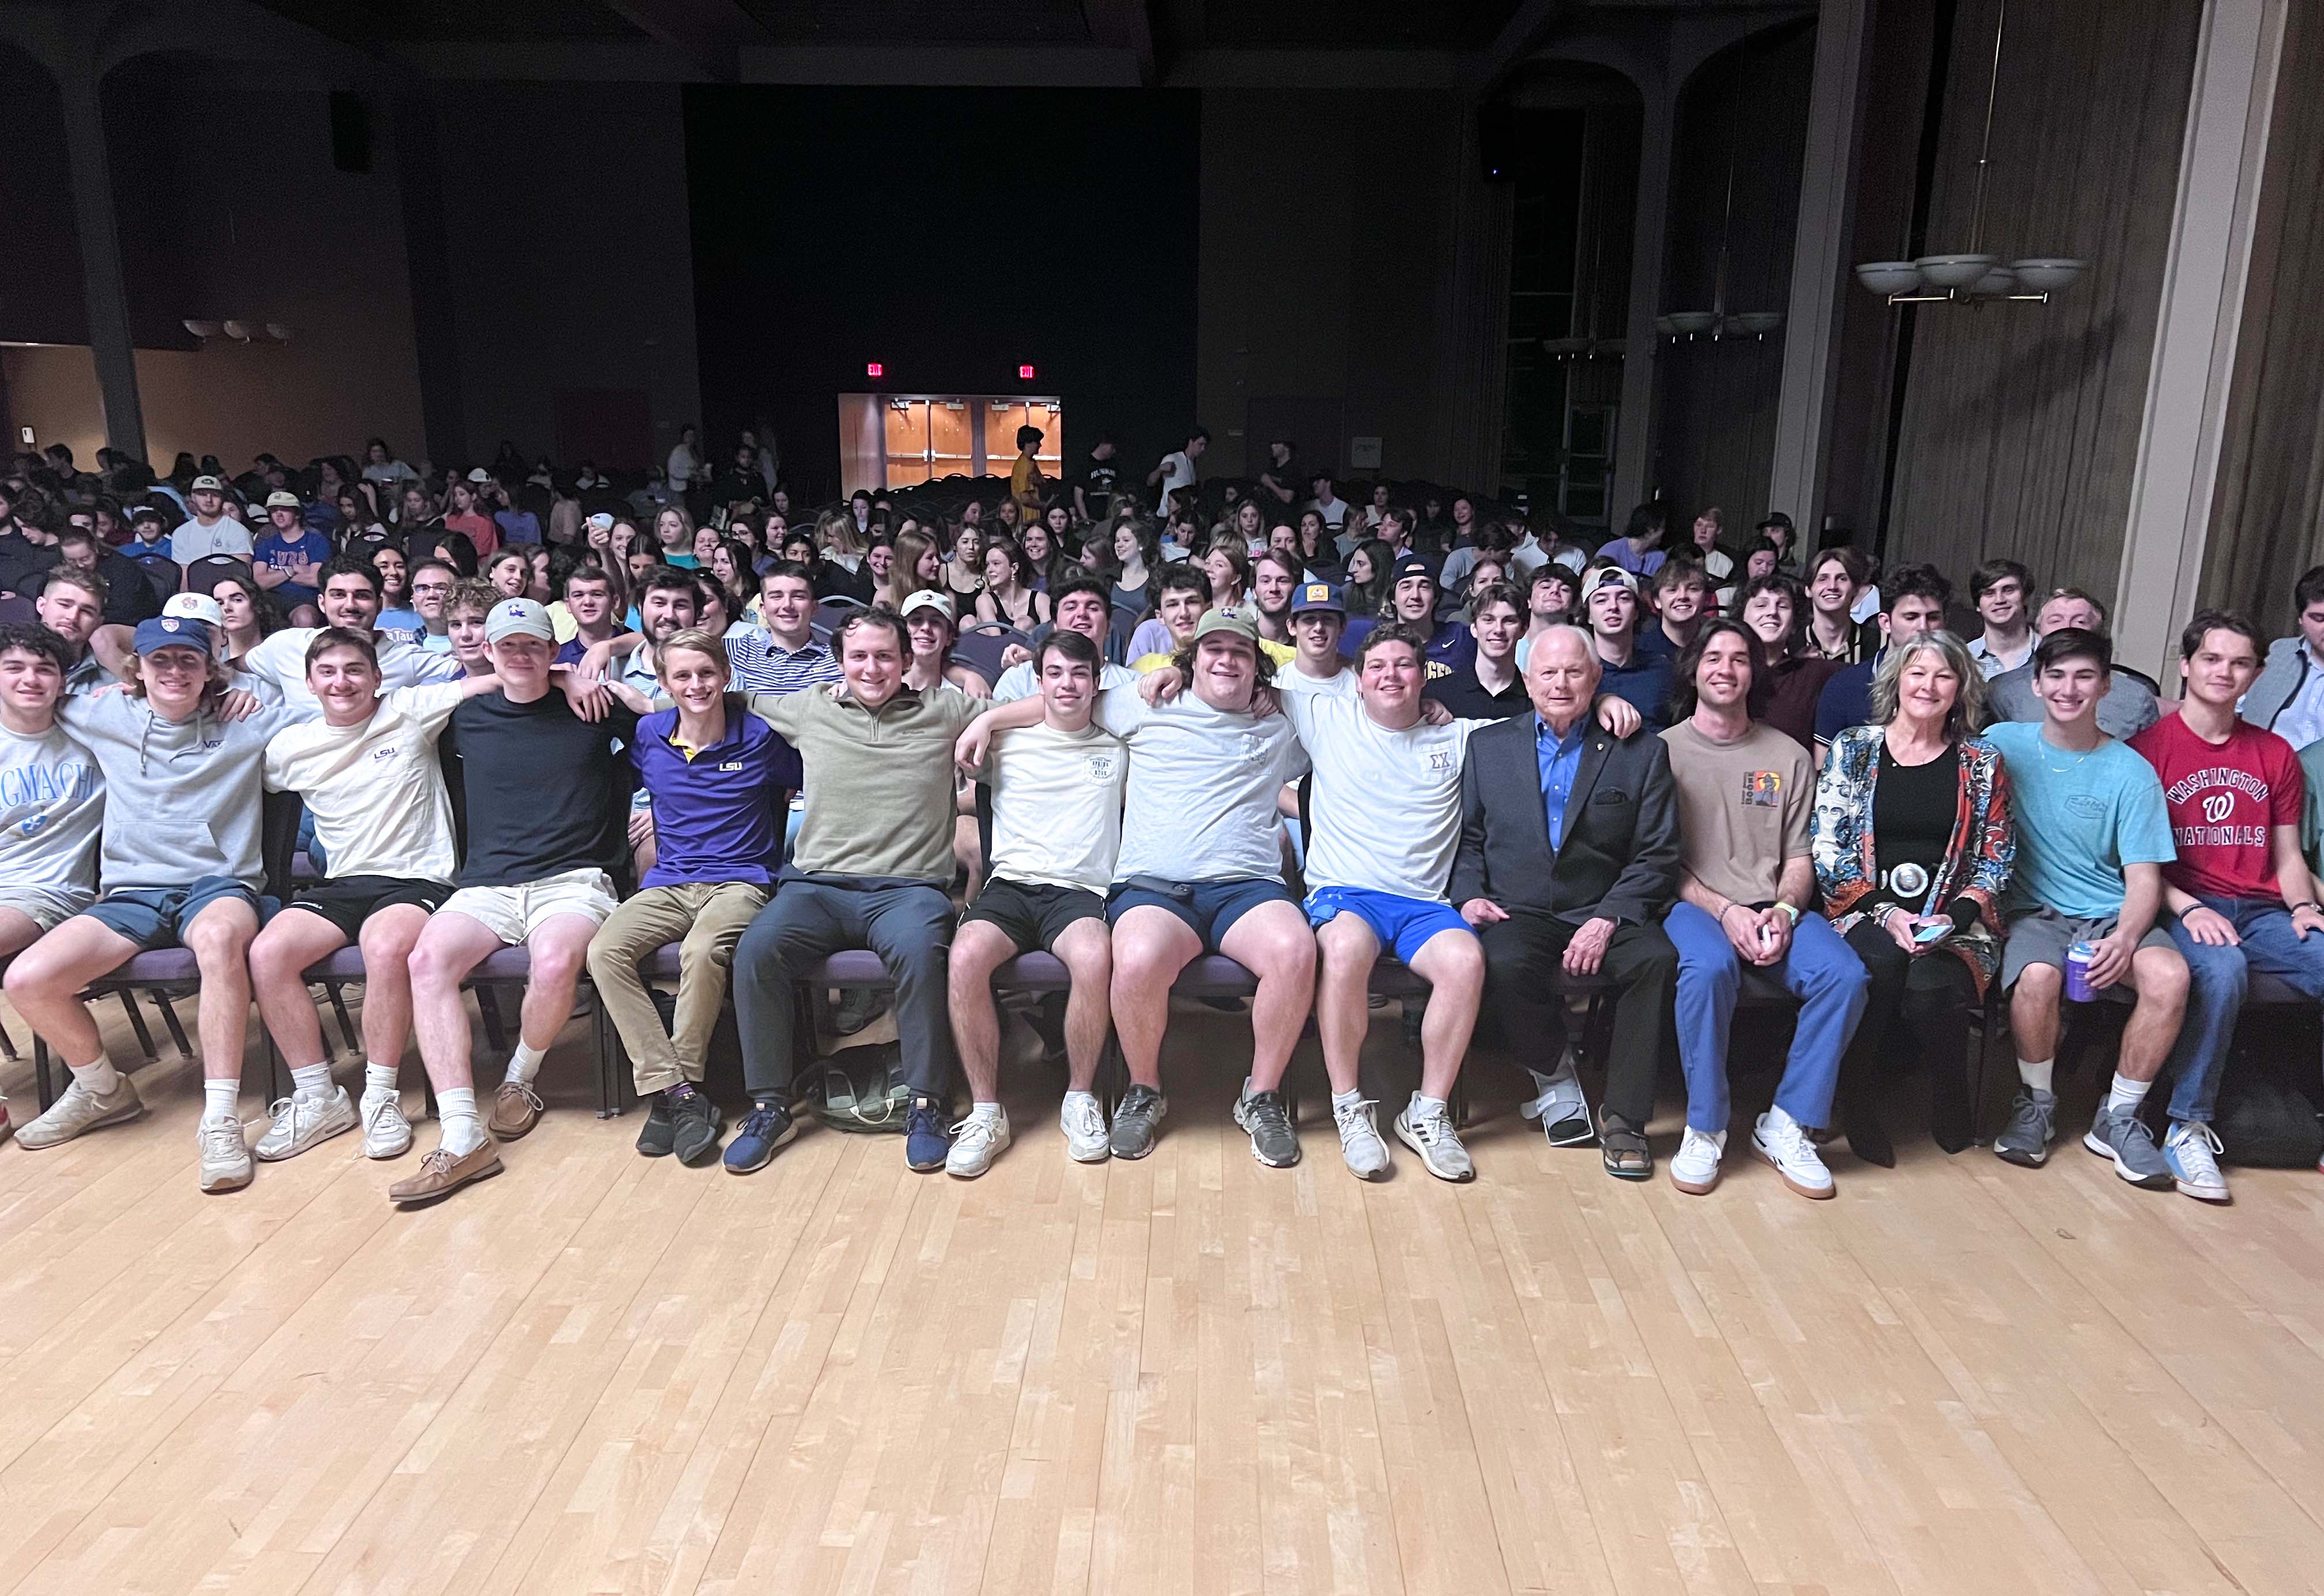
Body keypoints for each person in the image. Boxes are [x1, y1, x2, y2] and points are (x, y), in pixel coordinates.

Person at [963, 612, 1312, 1160]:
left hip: (1247, 887)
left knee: (1295, 948)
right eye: (1212, 648)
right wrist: (988, 721)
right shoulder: (1148, 702)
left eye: (1240, 652)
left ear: (1258, 667)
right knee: (1136, 953)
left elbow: (1369, 715)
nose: (1225, 660)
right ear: (1191, 659)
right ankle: (1143, 1090)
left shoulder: (1285, 715)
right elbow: (1067, 703)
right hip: (1157, 887)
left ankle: (1261, 1095)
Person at [5, 617, 303, 1190]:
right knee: (29, 979)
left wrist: (250, 692)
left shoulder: (243, 721)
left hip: (220, 884)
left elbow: (340, 712)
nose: (174, 671)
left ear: (208, 669)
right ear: (135, 670)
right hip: (132, 891)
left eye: (188, 660)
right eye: (159, 661)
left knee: (219, 941)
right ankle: (102, 1090)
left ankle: (219, 1121)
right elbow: (32, 704)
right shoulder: (101, 713)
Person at [725, 610, 992, 1176]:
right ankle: (770, 1104)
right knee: (756, 953)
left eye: (884, 657)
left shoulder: (943, 710)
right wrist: (571, 678)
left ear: (906, 660)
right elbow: (706, 694)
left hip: (907, 891)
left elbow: (1041, 709)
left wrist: (988, 721)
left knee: (923, 956)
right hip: (816, 888)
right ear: (840, 662)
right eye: (859, 657)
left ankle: (926, 1103)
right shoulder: (810, 706)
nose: (872, 668)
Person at [246, 629, 516, 1171]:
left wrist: (579, 671)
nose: (341, 681)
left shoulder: (410, 709)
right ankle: (319, 1096)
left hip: (417, 879)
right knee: (267, 952)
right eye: (328, 672)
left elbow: (502, 679)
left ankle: (382, 1094)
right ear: (310, 683)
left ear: (376, 678)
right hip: (342, 881)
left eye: (354, 670)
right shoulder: (289, 747)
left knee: (386, 945)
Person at [394, 598, 632, 1203]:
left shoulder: (593, 706)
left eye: (534, 646)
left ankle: (519, 1082)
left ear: (554, 650)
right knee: (426, 963)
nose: (521, 656)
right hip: (488, 882)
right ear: (489, 653)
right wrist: (545, 674)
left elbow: (667, 724)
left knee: (554, 963)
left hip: (575, 879)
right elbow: (390, 707)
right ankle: (461, 1133)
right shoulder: (464, 716)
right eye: (508, 647)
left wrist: (585, 670)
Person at [1454, 625, 1681, 1178]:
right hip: (1519, 908)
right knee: (1502, 961)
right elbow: (1469, 838)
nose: (1560, 683)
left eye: (1575, 672)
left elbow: (1657, 854)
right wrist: (1469, 895)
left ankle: (1626, 1117)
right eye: (1548, 673)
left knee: (1655, 960)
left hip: (1605, 905)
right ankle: (1556, 1072)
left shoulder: (1643, 752)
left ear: (1597, 678)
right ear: (1527, 681)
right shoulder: (1487, 746)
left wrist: (1607, 918)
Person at [1659, 621, 1868, 1199]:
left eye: (1739, 659)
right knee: (1707, 970)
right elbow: (1660, 864)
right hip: (1694, 904)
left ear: (1756, 672)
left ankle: (1787, 1122)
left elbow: (1801, 856)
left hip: (1771, 904)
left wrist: (1782, 909)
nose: (1725, 668)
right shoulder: (1663, 751)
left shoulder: (1788, 754)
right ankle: (1705, 1126)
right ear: (1694, 669)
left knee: (1844, 975)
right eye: (1713, 657)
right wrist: (1725, 912)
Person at [1274, 624, 1488, 1180]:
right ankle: (1349, 1106)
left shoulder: (1460, 736)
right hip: (1347, 894)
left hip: (1424, 903)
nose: (1390, 675)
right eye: (1378, 667)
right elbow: (1240, 681)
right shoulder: (1327, 715)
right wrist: (1176, 669)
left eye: (1403, 665)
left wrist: (1607, 696)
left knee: (1466, 960)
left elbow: (1545, 719)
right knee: (1343, 950)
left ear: (1424, 676)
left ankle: (1428, 1112)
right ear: (1359, 680)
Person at [2129, 611, 2322, 1202]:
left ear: (2257, 675)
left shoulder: (2275, 754)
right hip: (2181, 904)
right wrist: (2189, 909)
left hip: (2264, 909)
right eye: (2212, 659)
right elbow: (2139, 867)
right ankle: (2187, 1126)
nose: (2225, 672)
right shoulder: (2146, 752)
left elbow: (2287, 853)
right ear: (2186, 667)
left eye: (2240, 663)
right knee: (2220, 969)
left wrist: (2303, 909)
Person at [1985, 628, 2187, 1187]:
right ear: (2037, 682)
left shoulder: (2131, 772)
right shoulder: (2002, 742)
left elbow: (2144, 876)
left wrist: (2125, 939)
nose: (2068, 688)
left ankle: (2118, 1118)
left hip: (2111, 912)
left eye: (2083, 676)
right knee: (2037, 978)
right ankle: (2038, 1104)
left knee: (2169, 976)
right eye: (2057, 675)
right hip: (2036, 912)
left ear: (2105, 686)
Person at [586, 629, 797, 1167]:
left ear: (725, 676)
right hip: (671, 879)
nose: (696, 684)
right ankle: (679, 1093)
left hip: (742, 880)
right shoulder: (650, 734)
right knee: (604, 951)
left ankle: (675, 1093)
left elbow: (808, 780)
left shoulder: (759, 737)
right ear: (663, 683)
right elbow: (614, 779)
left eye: (706, 673)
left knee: (701, 952)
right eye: (682, 675)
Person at [1811, 632, 2012, 1165]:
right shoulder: (1854, 747)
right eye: (1918, 672)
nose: (1929, 685)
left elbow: (1997, 856)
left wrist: (1956, 916)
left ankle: (1951, 1095)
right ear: (1896, 680)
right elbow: (1829, 850)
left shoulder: (1982, 762)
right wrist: (1889, 912)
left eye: (1944, 675)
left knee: (1930, 988)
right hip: (1863, 909)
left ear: (1961, 688)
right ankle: (1858, 1097)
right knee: (1880, 961)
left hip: (1957, 919)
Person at [946, 629, 1126, 1174]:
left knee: (1095, 956)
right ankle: (985, 1111)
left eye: (1079, 674)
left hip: (1081, 890)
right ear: (1039, 679)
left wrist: (992, 716)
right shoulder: (1004, 741)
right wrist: (988, 719)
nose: (1067, 684)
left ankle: (1080, 1097)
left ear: (1098, 683)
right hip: (1012, 885)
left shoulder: (1121, 743)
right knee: (964, 955)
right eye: (1055, 673)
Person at [0, 626, 105, 1126]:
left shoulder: (93, 732)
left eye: (45, 669)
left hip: (52, 890)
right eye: (15, 668)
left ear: (64, 681)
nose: (30, 679)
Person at [1813, 564, 1954, 753]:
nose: (1923, 627)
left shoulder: (1958, 687)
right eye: (1911, 617)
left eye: (1933, 617)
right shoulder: (1844, 687)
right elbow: (1823, 769)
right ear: (1886, 623)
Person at [1984, 590, 2160, 738]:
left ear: (2097, 632)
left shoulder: (2136, 697)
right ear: (2038, 630)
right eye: (2055, 620)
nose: (2066, 628)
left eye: (2079, 621)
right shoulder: (2001, 690)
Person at [991, 578, 1138, 701]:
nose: (1081, 613)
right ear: (1055, 626)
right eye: (1071, 607)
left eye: (1092, 608)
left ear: (1108, 628)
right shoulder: (1020, 678)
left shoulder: (1132, 684)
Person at [1739, 572, 1840, 750]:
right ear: (1741, 617)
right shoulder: (1723, 671)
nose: (1772, 612)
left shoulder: (1814, 673)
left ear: (1794, 623)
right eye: (1761, 605)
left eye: (1783, 606)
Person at [2238, 564, 2324, 748]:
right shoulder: (2276, 656)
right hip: (2264, 769)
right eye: (2319, 618)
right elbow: (2227, 706)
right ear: (2300, 619)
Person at [1581, 566, 1673, 727]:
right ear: (1588, 615)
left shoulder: (1662, 669)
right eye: (1601, 600)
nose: (1613, 607)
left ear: (1637, 612)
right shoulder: (1576, 673)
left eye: (1623, 598)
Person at [1425, 582, 1529, 719]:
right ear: (1474, 629)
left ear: (1523, 630)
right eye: (1488, 620)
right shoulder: (1436, 694)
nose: (1498, 630)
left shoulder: (1535, 698)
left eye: (1509, 621)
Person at [1383, 553, 1476, 679]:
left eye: (1424, 587)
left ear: (1436, 596)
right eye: (1406, 587)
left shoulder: (1461, 637)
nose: (1415, 595)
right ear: (1393, 598)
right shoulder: (1380, 643)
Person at [1278, 582, 1357, 697]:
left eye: (1328, 619)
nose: (1319, 627)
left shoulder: (1360, 684)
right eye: (1309, 619)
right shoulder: (1276, 683)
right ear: (1292, 627)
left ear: (1342, 627)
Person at [1125, 563, 1209, 670]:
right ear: (1160, 617)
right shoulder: (1144, 668)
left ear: (1208, 609)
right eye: (1173, 605)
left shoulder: (1225, 661)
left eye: (1192, 602)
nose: (1184, 613)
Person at [1967, 558, 2036, 678]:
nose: (1999, 600)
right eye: (1989, 593)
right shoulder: (1963, 658)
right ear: (1978, 605)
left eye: (2008, 590)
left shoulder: (2050, 654)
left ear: (2025, 597)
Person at [1633, 558, 1710, 662]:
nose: (1682, 596)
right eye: (1672, 590)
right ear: (1657, 600)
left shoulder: (1717, 645)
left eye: (1693, 589)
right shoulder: (1639, 651)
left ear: (1706, 599)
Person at [170, 474, 252, 570]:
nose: (209, 500)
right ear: (193, 497)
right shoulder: (181, 533)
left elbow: (241, 573)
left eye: (215, 495)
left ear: (222, 498)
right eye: (203, 494)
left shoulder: (238, 531)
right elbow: (184, 575)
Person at [1804, 547, 1872, 663]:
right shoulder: (1792, 646)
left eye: (1842, 579)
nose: (1832, 586)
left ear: (1856, 589)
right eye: (1823, 579)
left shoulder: (1879, 643)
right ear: (1808, 590)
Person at [977, 535, 1052, 631]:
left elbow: (1049, 639)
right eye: (988, 565)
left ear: (1014, 568)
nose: (989, 570)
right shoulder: (985, 600)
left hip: (1031, 645)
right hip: (997, 645)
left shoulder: (1041, 600)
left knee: (1024, 623)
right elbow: (994, 640)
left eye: (996, 564)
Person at [1596, 502, 1669, 579]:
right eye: (1662, 527)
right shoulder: (1609, 552)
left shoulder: (1660, 557)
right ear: (1650, 529)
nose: (1664, 531)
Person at [1146, 427, 1206, 519]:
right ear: (1191, 442)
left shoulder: (1192, 466)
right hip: (1166, 514)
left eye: (1204, 445)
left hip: (1182, 516)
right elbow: (1150, 482)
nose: (1203, 449)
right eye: (1200, 444)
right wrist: (1160, 469)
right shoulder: (1173, 458)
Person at [1073, 433, 1121, 525]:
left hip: (1111, 518)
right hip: (1092, 517)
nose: (1114, 451)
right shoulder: (1085, 464)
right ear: (1104, 445)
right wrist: (1086, 520)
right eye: (1112, 447)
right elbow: (1078, 494)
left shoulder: (1114, 465)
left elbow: (1119, 493)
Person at [1257, 439, 1300, 508]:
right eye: (1272, 444)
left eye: (1277, 444)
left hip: (1285, 515)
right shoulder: (1272, 467)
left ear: (1286, 448)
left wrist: (1269, 483)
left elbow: (1288, 498)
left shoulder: (1293, 469)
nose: (1273, 446)